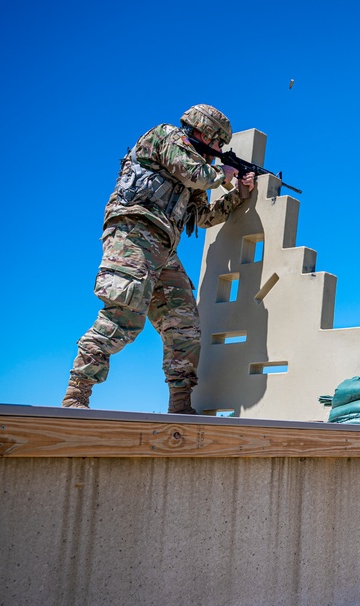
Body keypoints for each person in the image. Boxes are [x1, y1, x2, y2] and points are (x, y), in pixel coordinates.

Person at [63, 104, 256, 414]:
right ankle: (76, 396)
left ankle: (180, 406)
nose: (220, 150)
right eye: (219, 143)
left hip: (164, 250)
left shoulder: (196, 170)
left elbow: (204, 216)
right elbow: (196, 173)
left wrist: (239, 193)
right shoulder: (166, 136)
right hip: (133, 235)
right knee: (123, 316)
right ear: (203, 132)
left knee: (184, 326)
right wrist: (224, 173)